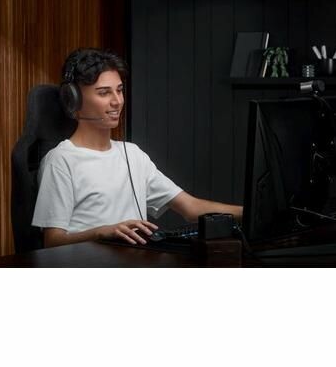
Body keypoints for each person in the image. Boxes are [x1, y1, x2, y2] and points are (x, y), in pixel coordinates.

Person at [32, 48, 243, 248]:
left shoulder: (133, 154)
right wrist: (101, 232)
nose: (117, 101)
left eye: (119, 90)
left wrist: (250, 213)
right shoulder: (60, 160)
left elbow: (190, 208)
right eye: (104, 93)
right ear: (73, 100)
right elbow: (52, 241)